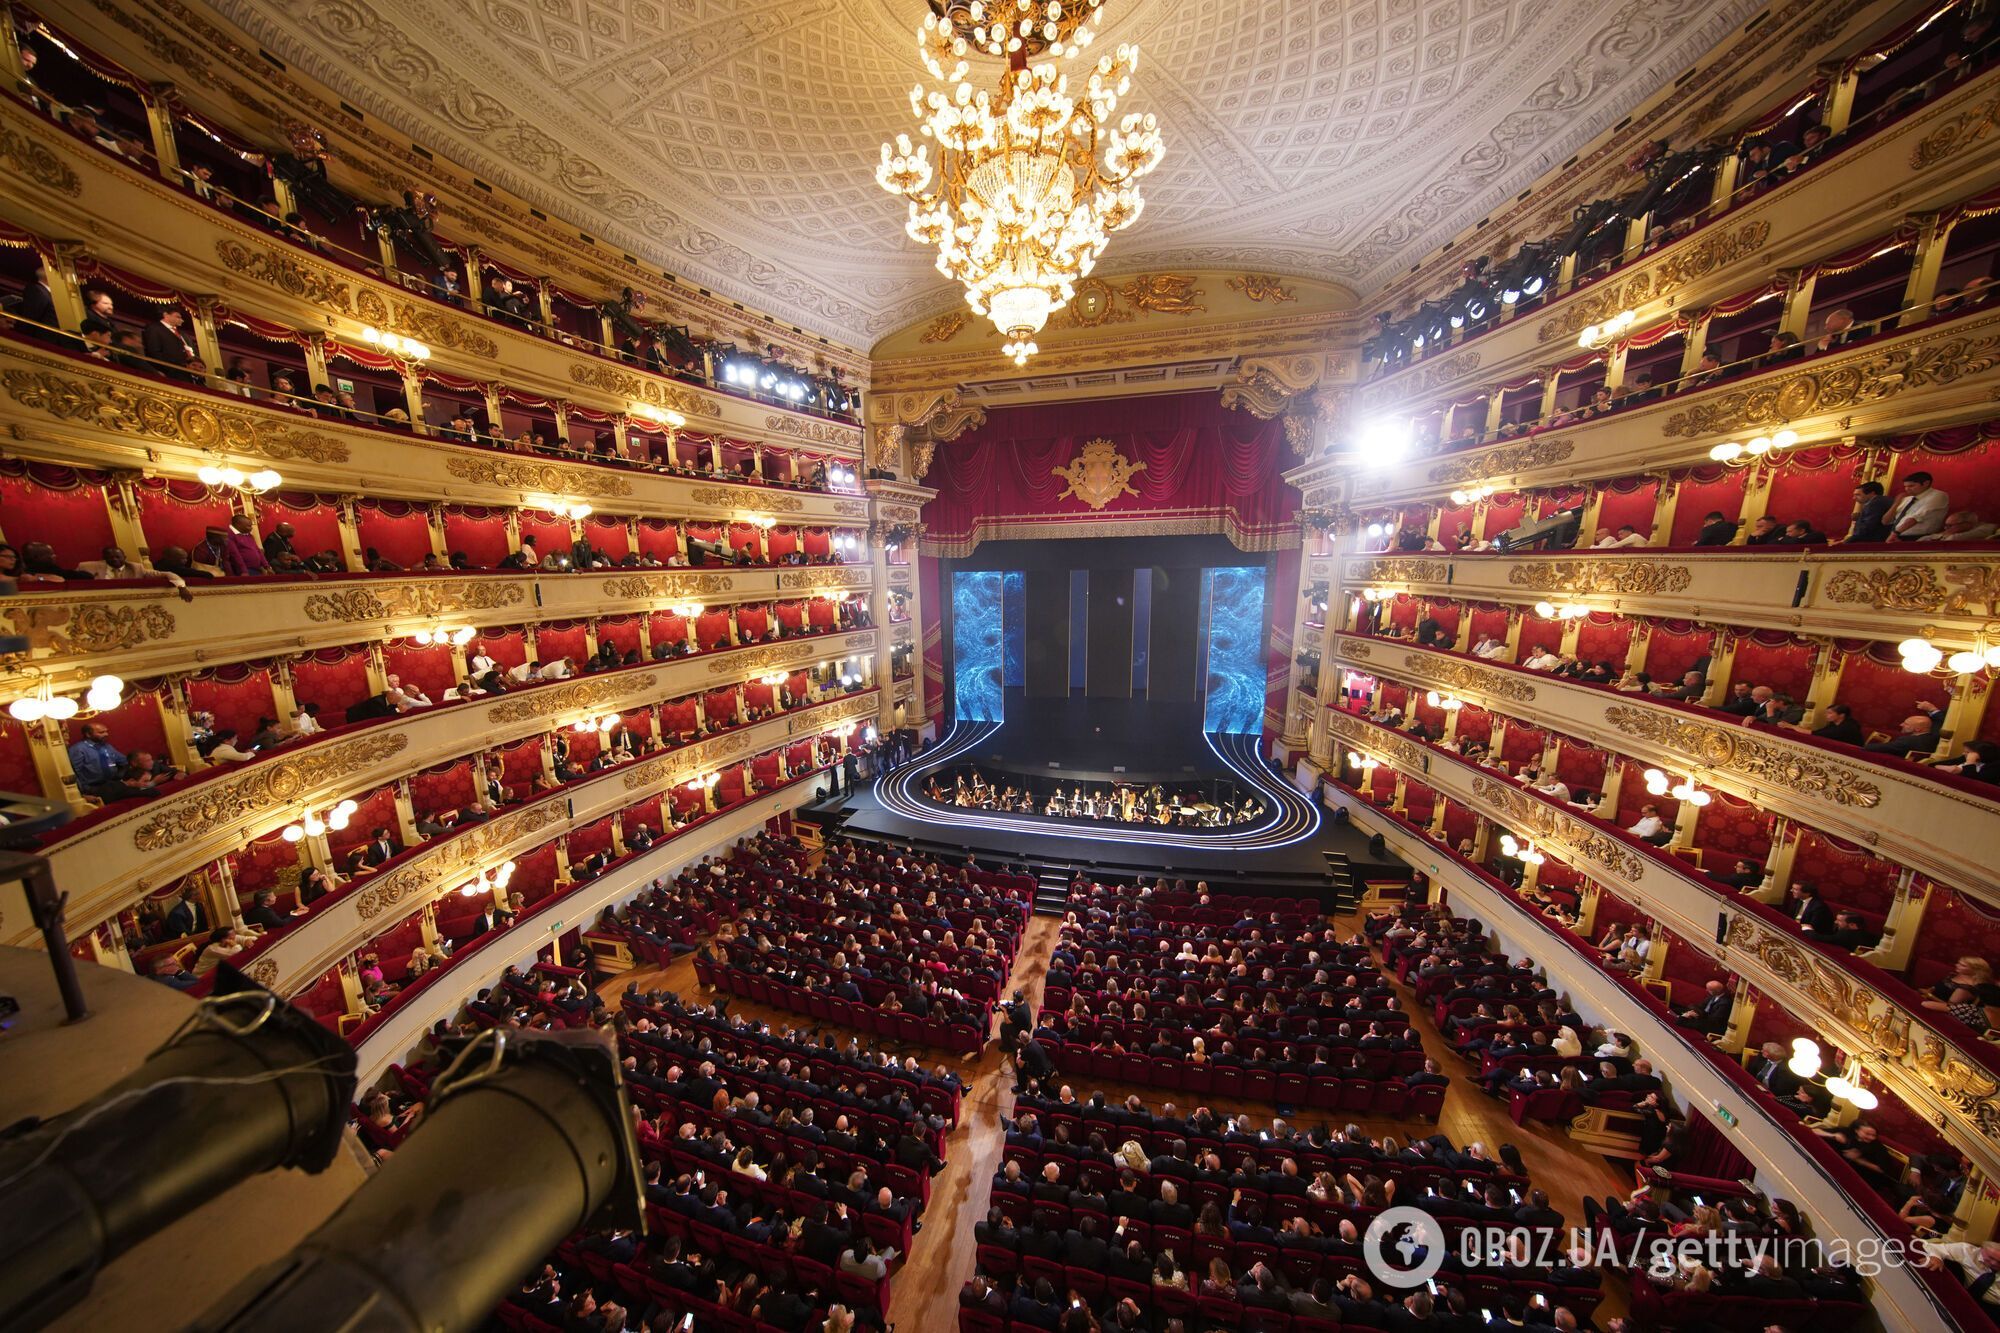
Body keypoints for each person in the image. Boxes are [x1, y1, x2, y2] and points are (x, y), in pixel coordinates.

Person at [67, 722, 164, 802]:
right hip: (94, 787)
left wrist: (135, 772)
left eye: (106, 731)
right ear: (88, 734)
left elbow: (126, 761)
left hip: (114, 783)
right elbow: (75, 772)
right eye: (101, 732)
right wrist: (82, 794)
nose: (106, 734)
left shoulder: (107, 747)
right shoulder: (78, 749)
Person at [141, 305, 201, 381]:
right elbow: (153, 352)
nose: (181, 320)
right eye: (178, 317)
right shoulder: (154, 329)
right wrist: (167, 370)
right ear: (166, 315)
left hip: (191, 376)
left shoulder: (185, 335)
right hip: (170, 373)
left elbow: (196, 354)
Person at [1886, 471, 1950, 540]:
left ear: (1926, 483)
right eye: (1905, 486)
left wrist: (1895, 533)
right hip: (1895, 535)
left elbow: (1916, 517)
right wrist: (1896, 503)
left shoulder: (1938, 495)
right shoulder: (1908, 499)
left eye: (1911, 486)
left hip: (1918, 538)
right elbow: (1885, 521)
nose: (1907, 489)